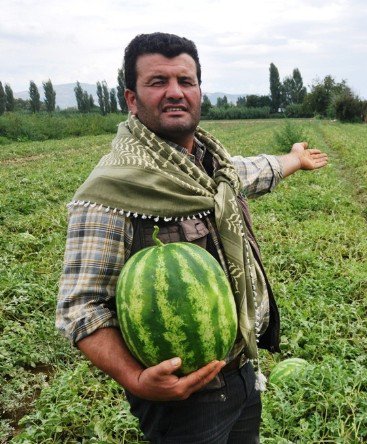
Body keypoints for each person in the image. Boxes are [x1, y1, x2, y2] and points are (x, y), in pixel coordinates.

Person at [56, 32, 328, 443]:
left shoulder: (211, 168)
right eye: (157, 82)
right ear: (132, 98)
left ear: (199, 89)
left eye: (185, 81)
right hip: (183, 400)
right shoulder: (111, 192)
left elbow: (250, 171)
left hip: (241, 369)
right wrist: (138, 380)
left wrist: (294, 159)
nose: (175, 93)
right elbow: (80, 307)